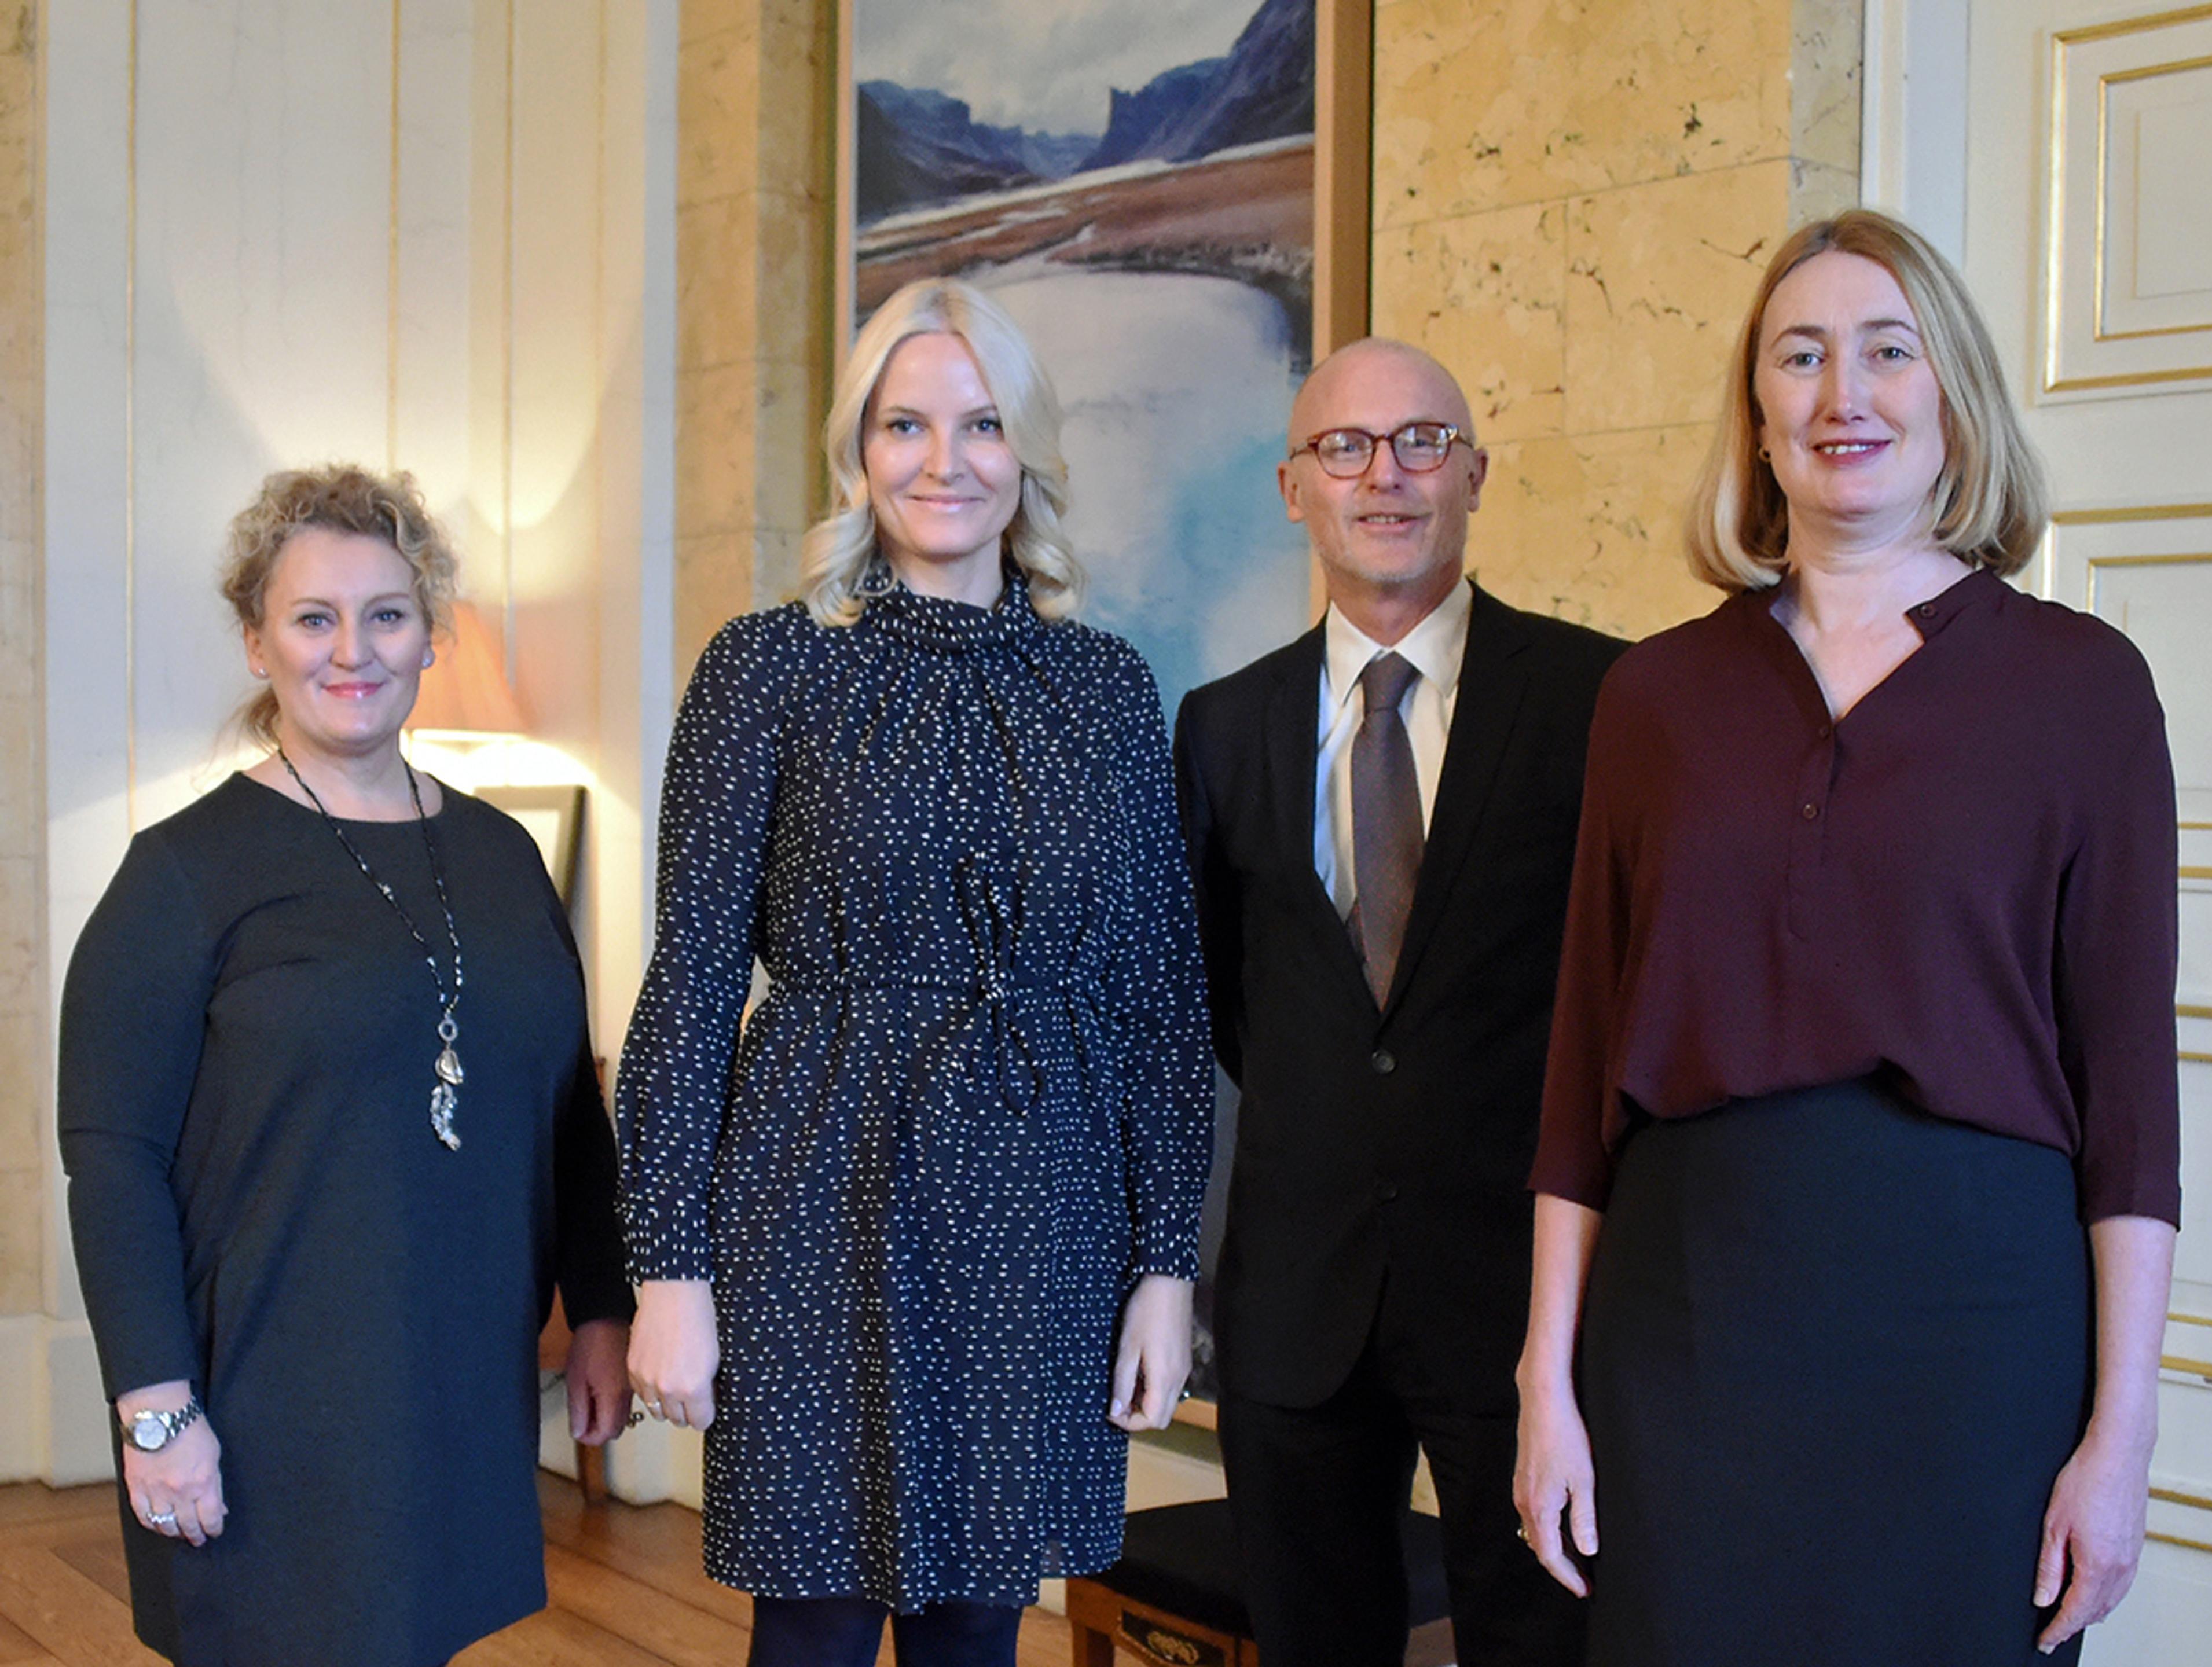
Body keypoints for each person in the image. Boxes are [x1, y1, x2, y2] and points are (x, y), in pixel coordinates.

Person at [1515, 210, 2180, 1666]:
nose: (1844, 395)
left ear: (1953, 394)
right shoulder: (1654, 700)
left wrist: (2123, 1435)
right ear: (1757, 416)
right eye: (1800, 356)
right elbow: (1581, 1070)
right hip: (1687, 1327)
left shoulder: (2086, 687)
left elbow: (2134, 1109)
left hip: (1979, 1344)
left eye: (1888, 351)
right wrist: (1543, 1383)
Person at [617, 278, 1213, 1667]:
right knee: (813, 1623)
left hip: (1043, 1206)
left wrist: (1165, 1267)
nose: (946, 462)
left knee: (977, 1629)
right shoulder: (768, 669)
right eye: (907, 425)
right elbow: (692, 982)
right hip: (816, 1191)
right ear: (859, 449)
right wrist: (668, 1268)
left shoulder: (1108, 688)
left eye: (983, 424)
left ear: (1028, 451)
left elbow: (1159, 1001)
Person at [57, 464, 635, 1666]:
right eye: (313, 617)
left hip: (459, 1373)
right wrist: (155, 1408)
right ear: (257, 641)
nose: (352, 651)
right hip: (268, 1387)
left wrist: (600, 1309)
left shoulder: (503, 856)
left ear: (430, 634)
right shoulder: (182, 872)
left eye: (386, 614)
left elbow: (568, 1117)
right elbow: (111, 1159)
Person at [1173, 337, 1622, 1667]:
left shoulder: (1601, 697)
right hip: (1295, 1303)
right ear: (1292, 488)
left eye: (1423, 441)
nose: (1386, 475)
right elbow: (1228, 1002)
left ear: (1474, 473)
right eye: (1346, 447)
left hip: (1526, 1307)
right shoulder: (1222, 726)